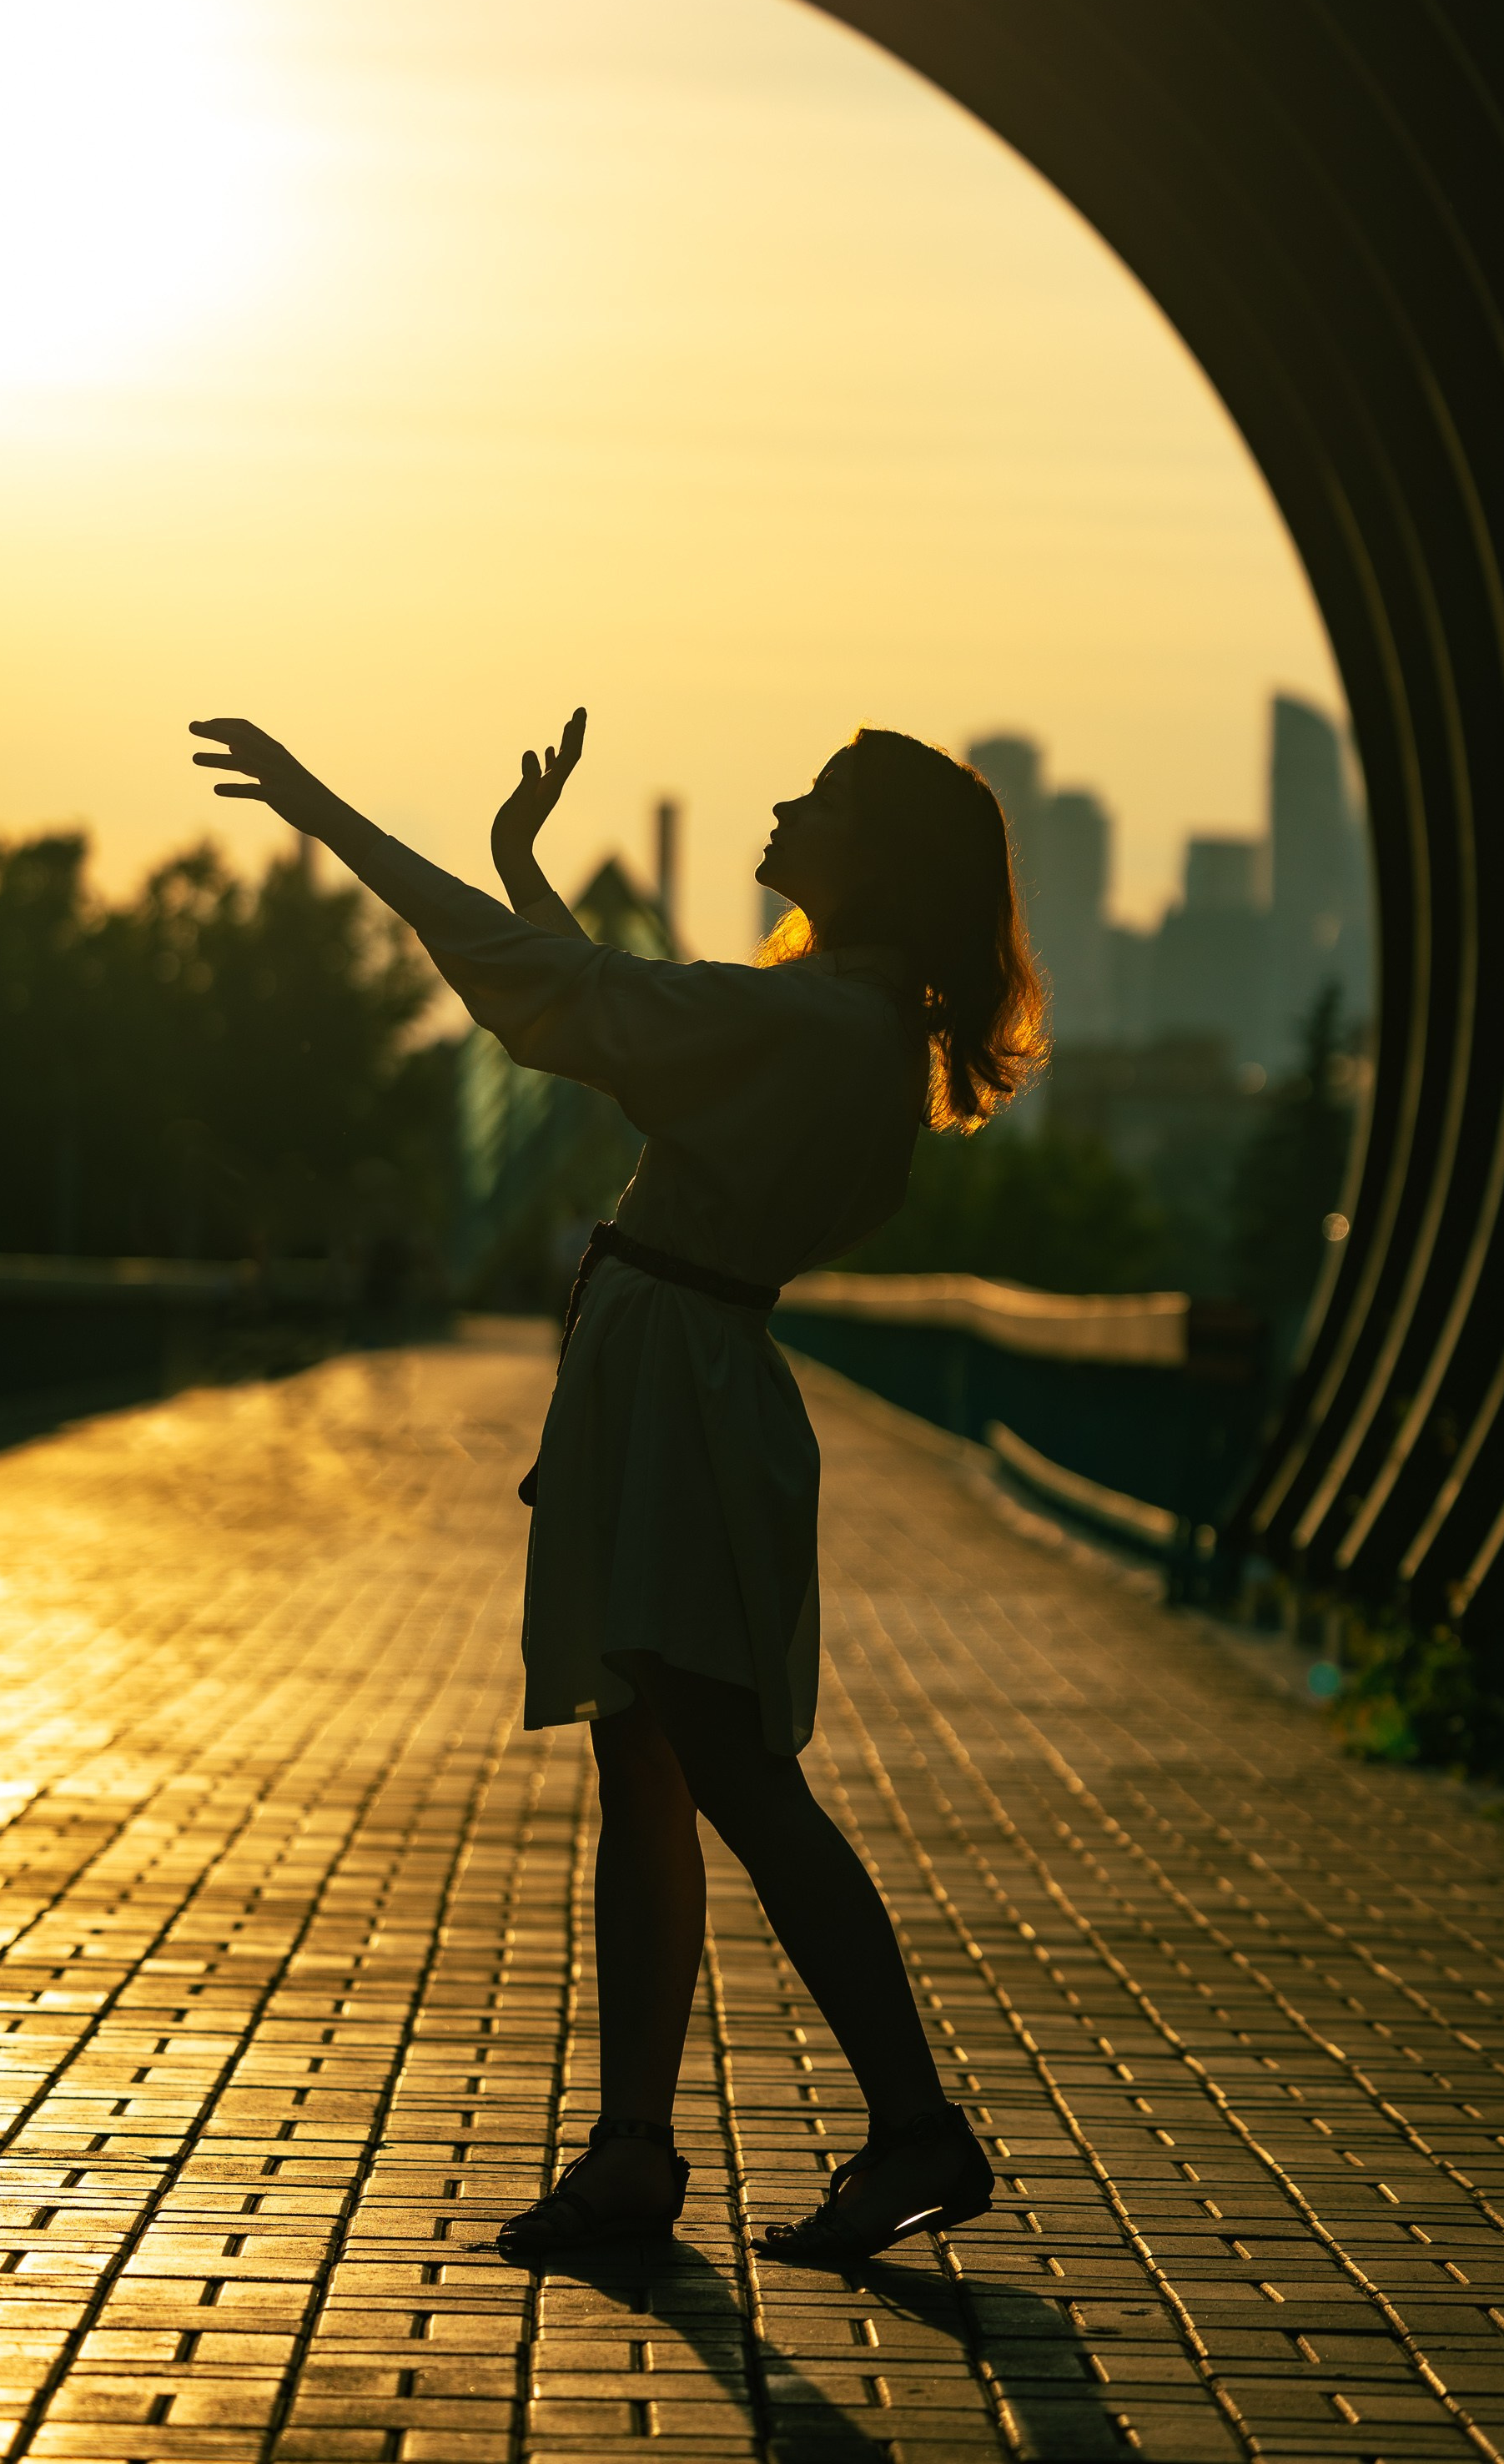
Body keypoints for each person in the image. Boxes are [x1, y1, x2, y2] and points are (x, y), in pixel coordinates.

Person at [189, 707, 1044, 2258]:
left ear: (882, 861)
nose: (789, 804)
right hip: (689, 1376)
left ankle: (909, 2124)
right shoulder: (842, 1030)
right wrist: (524, 866)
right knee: (656, 1763)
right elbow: (629, 1022)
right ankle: (637, 2152)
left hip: (679, 1393)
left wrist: (331, 813)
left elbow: (583, 1012)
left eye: (826, 799)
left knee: (726, 1774)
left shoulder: (818, 1027)